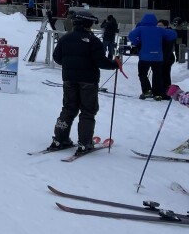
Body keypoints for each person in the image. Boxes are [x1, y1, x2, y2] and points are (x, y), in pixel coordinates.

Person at [45, 10, 120, 155]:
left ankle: (59, 139)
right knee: (87, 111)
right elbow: (101, 62)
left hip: (69, 78)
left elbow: (57, 57)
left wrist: (70, 65)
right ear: (89, 24)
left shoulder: (65, 38)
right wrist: (115, 64)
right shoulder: (93, 41)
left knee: (68, 108)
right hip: (88, 80)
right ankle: (85, 143)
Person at [127, 13, 178, 100]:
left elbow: (131, 36)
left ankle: (147, 90)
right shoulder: (159, 30)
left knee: (142, 74)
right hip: (158, 57)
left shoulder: (140, 29)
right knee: (157, 75)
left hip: (144, 57)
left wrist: (137, 42)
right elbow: (173, 34)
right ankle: (158, 94)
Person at [157, 19, 176, 100]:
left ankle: (166, 94)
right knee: (161, 75)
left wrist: (164, 60)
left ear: (166, 26)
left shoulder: (169, 34)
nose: (158, 27)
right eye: (157, 25)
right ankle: (162, 92)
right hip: (161, 57)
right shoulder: (160, 34)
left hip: (167, 57)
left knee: (165, 75)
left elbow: (168, 49)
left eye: (160, 25)